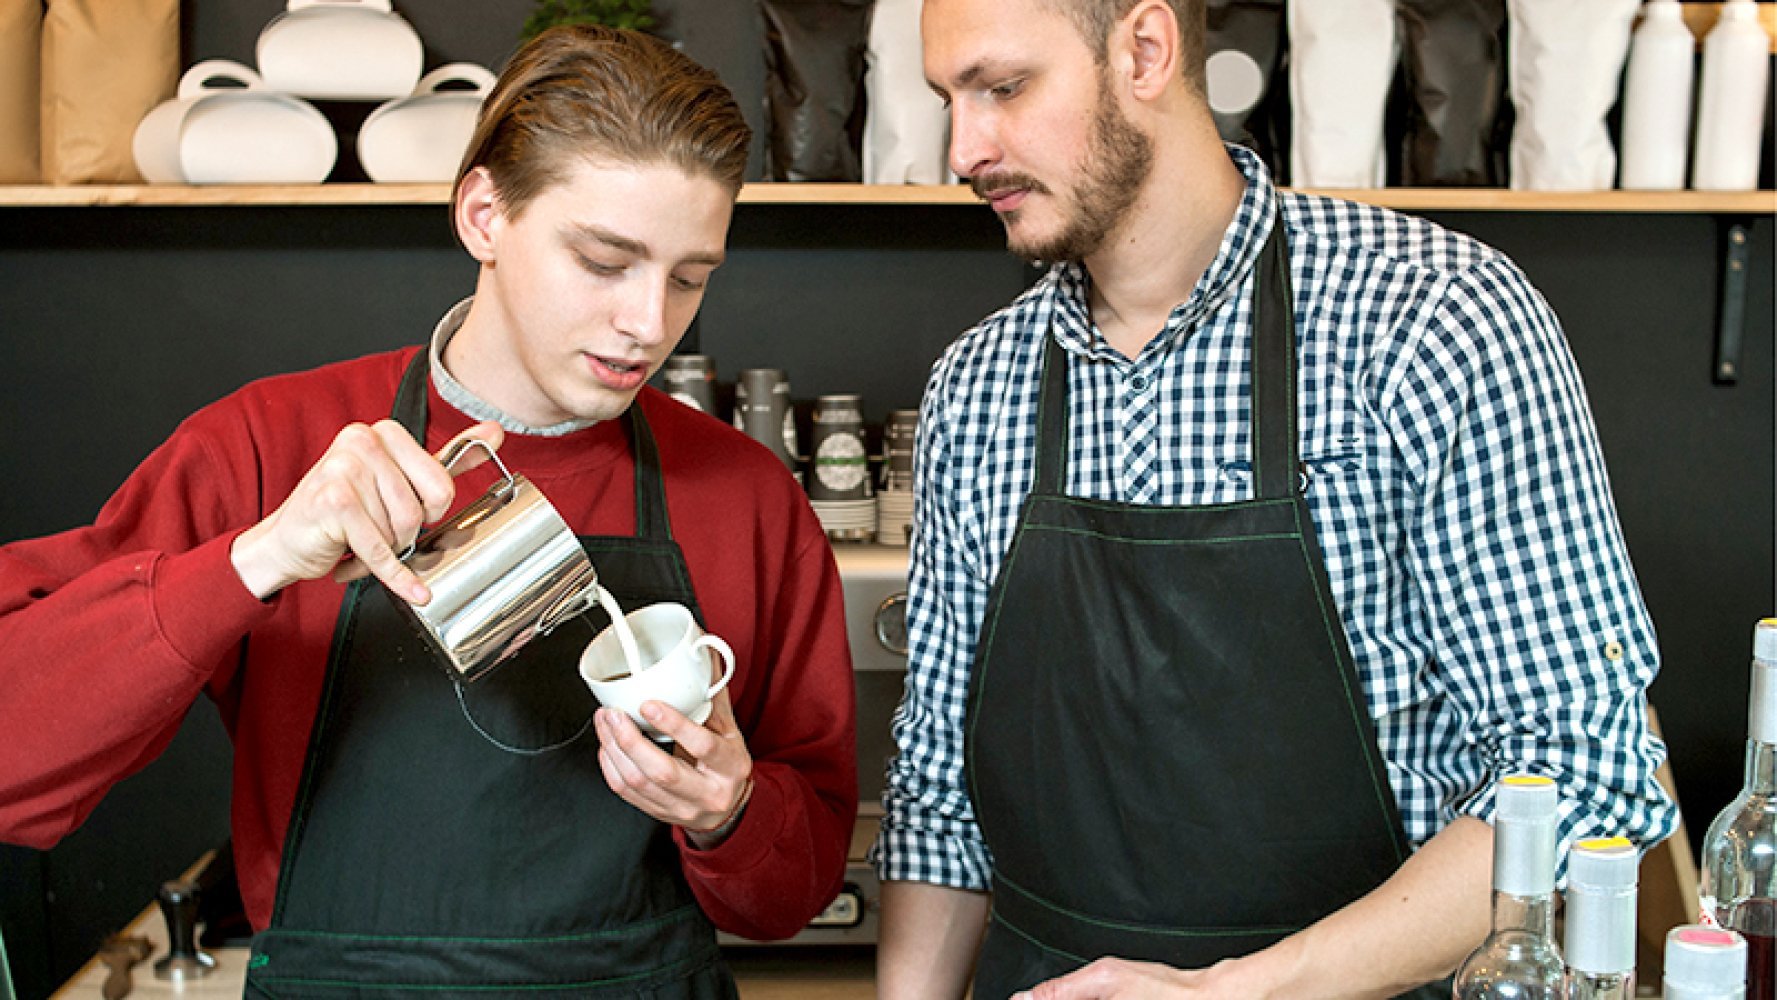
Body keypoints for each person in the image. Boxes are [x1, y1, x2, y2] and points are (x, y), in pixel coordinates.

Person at [0, 26, 857, 997]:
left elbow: (791, 895)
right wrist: (257, 557)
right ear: (484, 214)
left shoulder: (747, 497)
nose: (650, 324)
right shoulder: (265, 445)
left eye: (691, 277)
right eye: (603, 260)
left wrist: (728, 812)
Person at [872, 1, 1678, 997]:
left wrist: (1233, 991)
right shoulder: (977, 385)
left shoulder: (1431, 323)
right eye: (946, 100)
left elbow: (1577, 772)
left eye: (1003, 88)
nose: (963, 149)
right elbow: (939, 792)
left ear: (1144, 50)